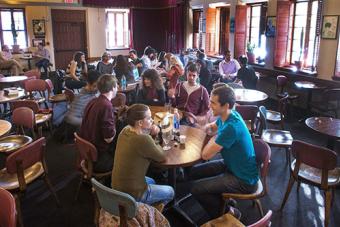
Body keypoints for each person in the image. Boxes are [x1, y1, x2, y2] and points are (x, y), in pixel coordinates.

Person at [190, 85, 259, 219]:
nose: (210, 106)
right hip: (232, 165)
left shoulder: (231, 128)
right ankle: (222, 198)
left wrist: (214, 137)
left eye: (213, 103)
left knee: (196, 189)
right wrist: (207, 129)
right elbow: (212, 127)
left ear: (226, 105)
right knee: (194, 172)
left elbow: (205, 155)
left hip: (244, 180)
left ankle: (229, 212)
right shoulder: (229, 115)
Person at [112, 104, 174, 205]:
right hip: (133, 194)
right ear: (140, 122)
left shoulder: (126, 130)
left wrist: (150, 134)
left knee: (152, 181)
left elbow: (142, 142)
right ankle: (147, 212)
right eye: (149, 118)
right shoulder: (143, 139)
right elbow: (161, 156)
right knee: (171, 191)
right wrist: (154, 136)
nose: (152, 121)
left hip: (117, 186)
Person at [79, 74, 118, 173]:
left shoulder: (93, 101)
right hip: (99, 157)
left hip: (88, 152)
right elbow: (108, 139)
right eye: (116, 86)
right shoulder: (106, 105)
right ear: (113, 88)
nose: (117, 88)